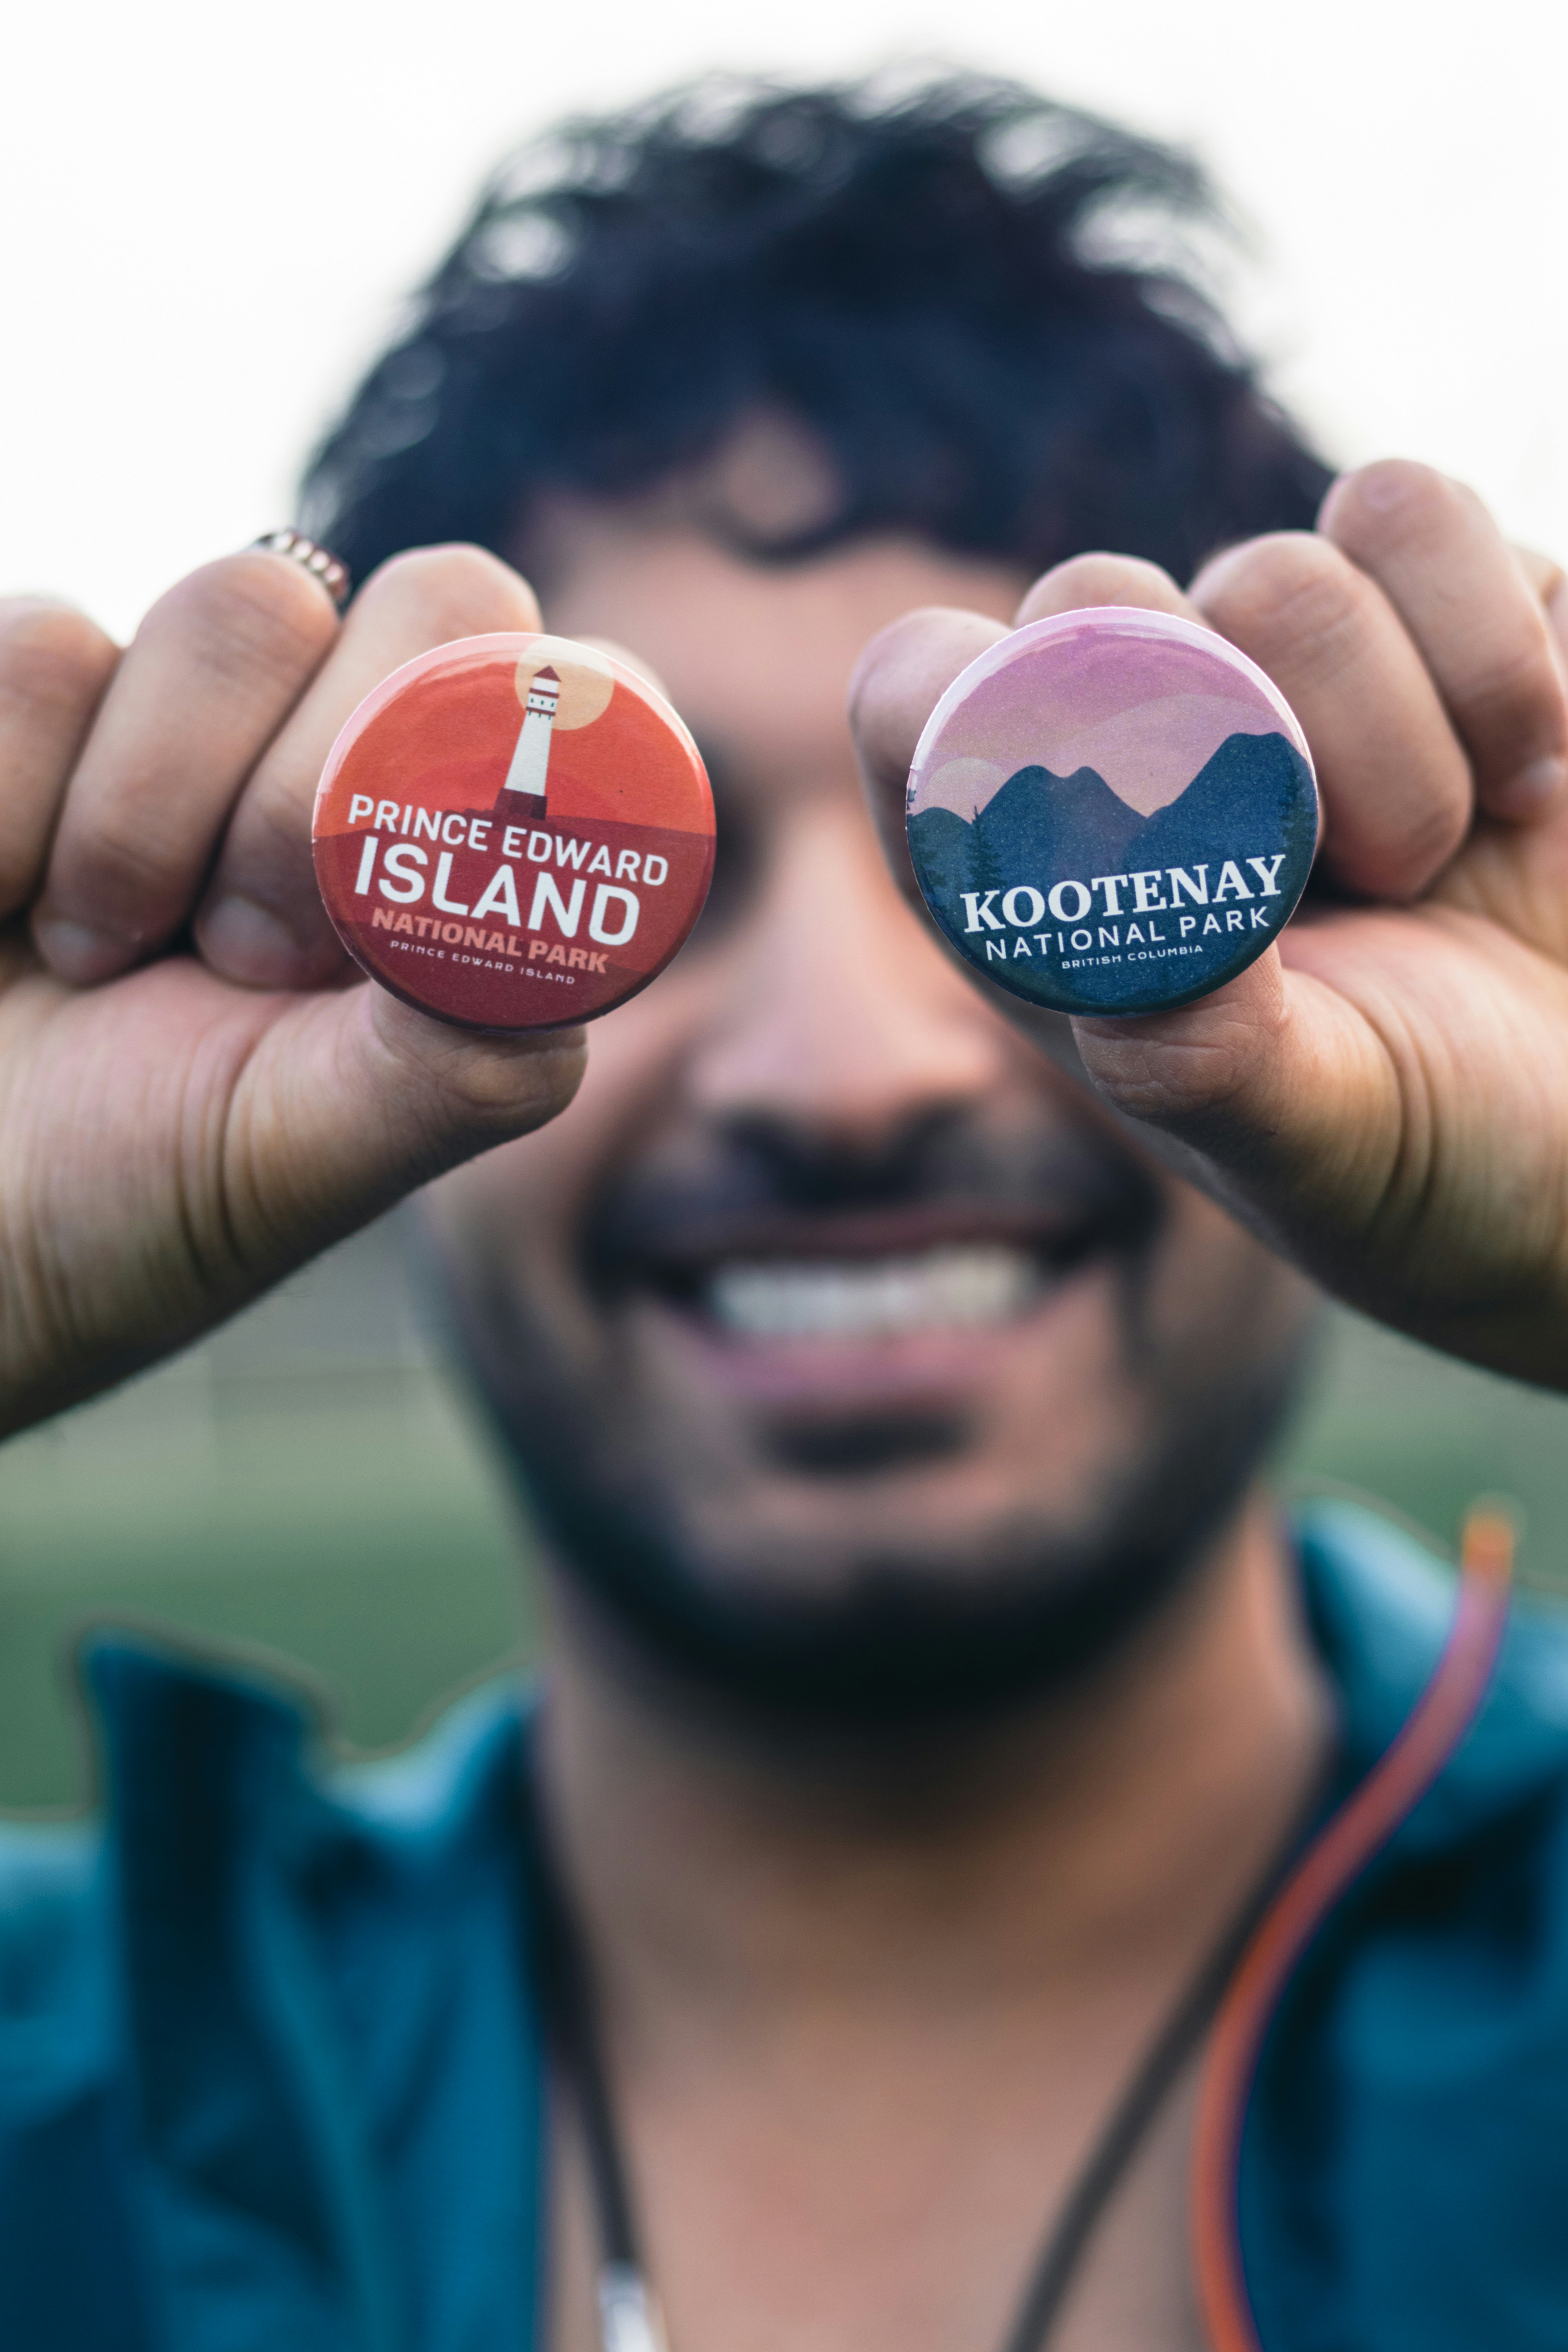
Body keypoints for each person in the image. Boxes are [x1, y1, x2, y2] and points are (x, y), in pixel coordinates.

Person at [3, 70, 1568, 2352]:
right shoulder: (65, 2120)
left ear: (1338, 891)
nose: (852, 1073)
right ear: (349, 933)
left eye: (999, 861)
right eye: (660, 873)